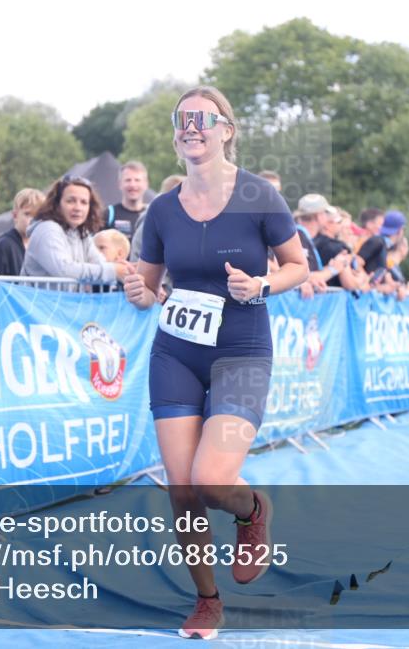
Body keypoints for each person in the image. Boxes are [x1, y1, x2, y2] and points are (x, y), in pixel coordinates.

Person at [123, 85, 308, 640]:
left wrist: (262, 284)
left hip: (241, 351)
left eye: (202, 118)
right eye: (182, 118)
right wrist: (137, 290)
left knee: (210, 480)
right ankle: (207, 601)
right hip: (176, 352)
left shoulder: (258, 195)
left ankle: (252, 510)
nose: (191, 126)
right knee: (182, 489)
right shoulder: (162, 209)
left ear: (227, 130)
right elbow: (149, 288)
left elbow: (298, 265)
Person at [21, 176, 132, 291]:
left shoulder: (82, 233)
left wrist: (124, 269)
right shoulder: (47, 229)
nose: (78, 208)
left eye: (84, 202)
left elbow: (99, 263)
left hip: (64, 301)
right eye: (71, 201)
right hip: (36, 302)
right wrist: (113, 271)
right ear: (57, 204)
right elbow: (64, 270)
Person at [293, 194, 347, 298]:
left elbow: (308, 274)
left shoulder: (303, 236)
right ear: (319, 216)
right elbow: (297, 276)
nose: (327, 218)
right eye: (326, 213)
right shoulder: (298, 236)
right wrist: (334, 269)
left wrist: (329, 268)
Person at [0, 188, 44, 276]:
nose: (32, 220)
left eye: (37, 215)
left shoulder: (42, 246)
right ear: (15, 215)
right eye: (27, 214)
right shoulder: (3, 246)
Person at [104, 161, 149, 241]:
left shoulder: (152, 214)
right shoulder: (109, 214)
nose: (132, 185)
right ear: (120, 184)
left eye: (137, 180)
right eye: (128, 180)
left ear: (146, 184)